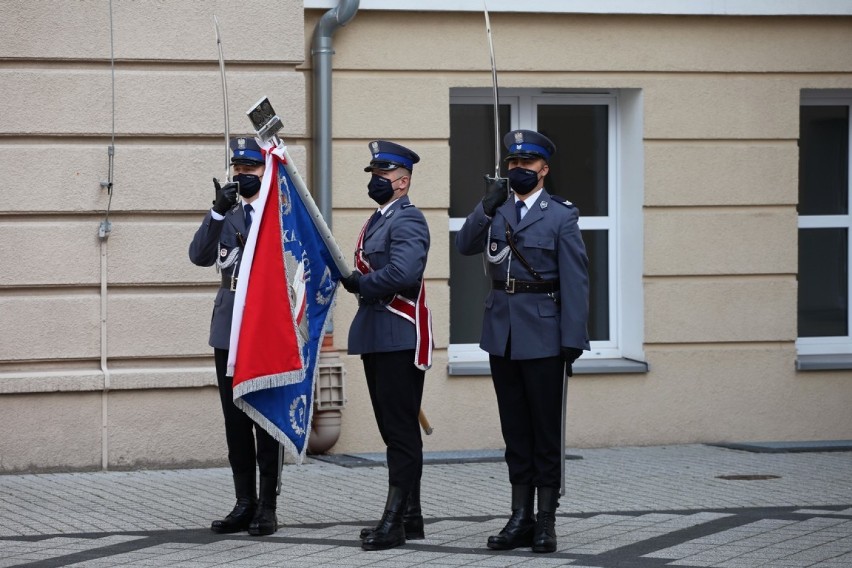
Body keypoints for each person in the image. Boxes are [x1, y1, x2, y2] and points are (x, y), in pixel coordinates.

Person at [454, 129, 589, 553]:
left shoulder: (560, 216)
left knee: (545, 431)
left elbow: (577, 281)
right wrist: (485, 204)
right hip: (503, 333)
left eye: (526, 165)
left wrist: (573, 338)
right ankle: (520, 517)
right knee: (515, 430)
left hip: (546, 334)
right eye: (513, 164)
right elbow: (464, 245)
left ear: (544, 169)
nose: (518, 170)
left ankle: (546, 521)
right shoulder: (497, 209)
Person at [339, 140, 431, 551]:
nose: (374, 181)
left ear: (402, 181)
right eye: (373, 175)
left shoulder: (408, 220)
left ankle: (395, 521)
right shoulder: (377, 220)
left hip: (397, 334)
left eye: (381, 176)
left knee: (400, 432)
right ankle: (411, 516)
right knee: (394, 429)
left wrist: (364, 284)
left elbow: (404, 271)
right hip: (376, 334)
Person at [188, 137, 279, 536]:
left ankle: (269, 506)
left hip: (264, 329)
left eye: (251, 168)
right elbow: (199, 255)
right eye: (238, 168)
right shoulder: (230, 213)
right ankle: (245, 502)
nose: (243, 175)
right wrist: (216, 212)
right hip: (228, 325)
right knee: (235, 420)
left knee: (265, 418)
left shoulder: (278, 214)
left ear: (266, 170)